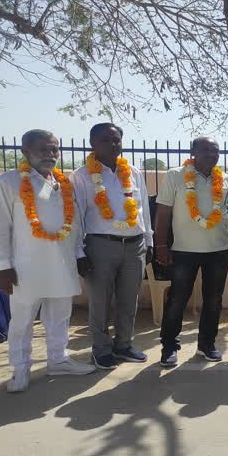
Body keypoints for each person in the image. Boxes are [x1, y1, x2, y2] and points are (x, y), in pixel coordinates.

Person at [0, 129, 95, 392]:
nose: (50, 155)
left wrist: (80, 254)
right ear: (25, 151)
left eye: (54, 149)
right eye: (42, 149)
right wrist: (3, 266)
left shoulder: (64, 183)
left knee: (60, 316)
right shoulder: (8, 182)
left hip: (63, 263)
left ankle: (58, 360)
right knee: (22, 320)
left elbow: (76, 224)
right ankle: (20, 369)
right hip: (26, 266)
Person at [71, 123, 153, 370]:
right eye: (106, 140)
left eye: (116, 139)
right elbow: (76, 217)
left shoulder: (134, 173)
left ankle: (124, 345)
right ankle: (101, 349)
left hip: (134, 245)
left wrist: (148, 241)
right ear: (92, 144)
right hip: (100, 246)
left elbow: (144, 211)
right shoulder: (82, 176)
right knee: (100, 301)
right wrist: (79, 252)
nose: (113, 144)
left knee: (129, 300)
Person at [154, 137, 228, 367]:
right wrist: (160, 245)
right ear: (193, 152)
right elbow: (163, 213)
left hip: (219, 250)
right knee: (177, 300)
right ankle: (169, 347)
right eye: (206, 150)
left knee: (213, 301)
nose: (211, 155)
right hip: (184, 251)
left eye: (215, 151)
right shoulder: (175, 175)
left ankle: (207, 345)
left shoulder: (226, 179)